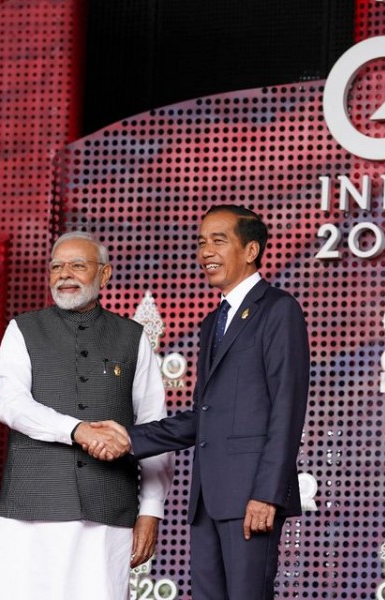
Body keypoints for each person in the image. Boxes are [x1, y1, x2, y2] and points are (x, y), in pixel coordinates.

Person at [91, 205, 310, 600]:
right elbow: (205, 418)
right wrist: (128, 439)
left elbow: (287, 409)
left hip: (251, 498)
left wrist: (267, 493)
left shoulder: (278, 310)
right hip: (208, 500)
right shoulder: (213, 322)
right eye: (201, 242)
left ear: (251, 250)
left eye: (219, 240)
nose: (205, 251)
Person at [0, 231, 174, 600]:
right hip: (31, 507)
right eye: (57, 266)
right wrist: (77, 430)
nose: (65, 274)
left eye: (78, 265)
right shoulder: (22, 330)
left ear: (104, 275)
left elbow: (153, 428)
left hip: (108, 510)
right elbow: (12, 405)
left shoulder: (132, 337)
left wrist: (152, 510)